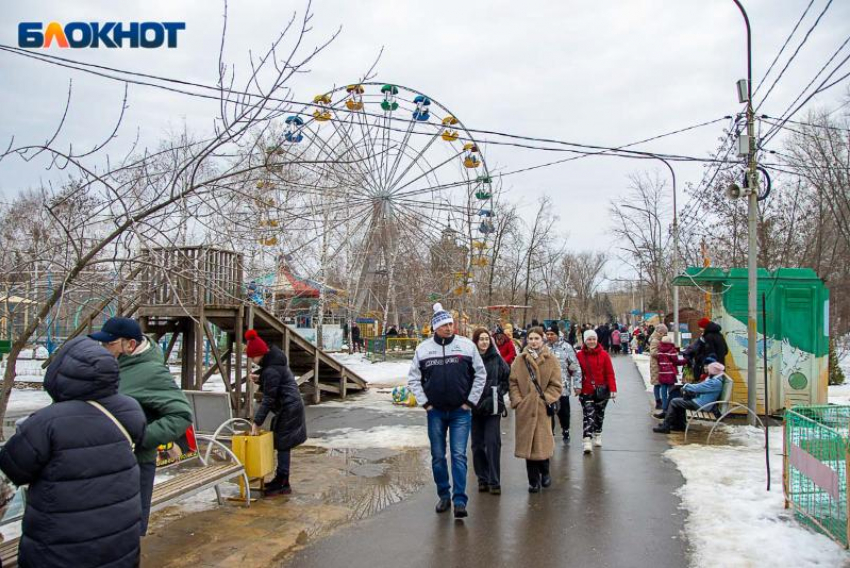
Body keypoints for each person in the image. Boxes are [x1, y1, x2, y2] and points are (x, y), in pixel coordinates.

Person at [0, 337, 147, 567]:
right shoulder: (130, 410)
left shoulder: (47, 422)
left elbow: (13, 468)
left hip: (60, 549)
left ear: (61, 373)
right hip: (118, 543)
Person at [90, 316, 193, 535]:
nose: (103, 349)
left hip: (134, 466)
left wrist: (140, 439)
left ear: (130, 344)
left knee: (124, 533)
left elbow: (181, 415)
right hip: (105, 463)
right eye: (102, 343)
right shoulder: (111, 367)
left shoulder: (151, 372)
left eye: (109, 344)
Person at [408, 303, 486, 519]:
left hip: (461, 411)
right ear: (435, 327)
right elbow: (413, 379)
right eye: (444, 325)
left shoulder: (466, 346)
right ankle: (444, 495)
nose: (449, 328)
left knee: (459, 455)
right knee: (438, 456)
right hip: (435, 412)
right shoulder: (423, 349)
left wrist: (470, 402)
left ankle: (460, 500)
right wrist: (425, 403)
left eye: (451, 324)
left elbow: (480, 374)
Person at [245, 329, 307, 496]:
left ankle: (283, 482)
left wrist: (256, 423)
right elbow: (276, 381)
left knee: (283, 444)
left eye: (253, 357)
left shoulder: (271, 369)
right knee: (282, 443)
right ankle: (281, 479)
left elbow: (268, 399)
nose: (253, 361)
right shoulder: (275, 362)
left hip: (289, 408)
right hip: (291, 406)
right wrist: (261, 378)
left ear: (259, 354)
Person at [509, 326, 562, 493]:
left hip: (541, 408)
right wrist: (519, 401)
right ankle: (533, 480)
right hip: (525, 409)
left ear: (542, 339)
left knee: (541, 443)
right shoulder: (520, 360)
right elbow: (513, 382)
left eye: (536, 338)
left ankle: (545, 472)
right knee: (528, 446)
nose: (533, 342)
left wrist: (545, 399)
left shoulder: (551, 359)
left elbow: (556, 385)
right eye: (530, 338)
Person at [470, 328, 510, 495]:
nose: (484, 342)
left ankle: (494, 481)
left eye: (486, 339)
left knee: (493, 444)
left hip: (493, 407)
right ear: (476, 341)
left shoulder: (497, 359)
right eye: (481, 339)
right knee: (477, 445)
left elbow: (507, 378)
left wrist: (498, 392)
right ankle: (482, 478)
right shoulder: (470, 360)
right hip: (474, 407)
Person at [575, 330, 617, 454]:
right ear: (585, 341)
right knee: (589, 415)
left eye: (593, 339)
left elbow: (610, 373)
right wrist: (576, 385)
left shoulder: (604, 355)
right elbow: (576, 372)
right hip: (586, 390)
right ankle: (587, 440)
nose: (591, 342)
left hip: (602, 391)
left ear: (597, 340)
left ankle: (598, 433)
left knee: (599, 415)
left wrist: (613, 388)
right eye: (589, 339)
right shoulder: (579, 355)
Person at [654, 362, 725, 433]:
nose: (707, 370)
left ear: (713, 371)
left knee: (674, 401)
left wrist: (685, 386)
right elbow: (700, 387)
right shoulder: (715, 380)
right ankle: (678, 425)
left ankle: (666, 426)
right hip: (702, 402)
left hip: (701, 405)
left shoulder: (714, 382)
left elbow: (698, 388)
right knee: (677, 398)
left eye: (709, 369)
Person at [544, 323, 582, 443]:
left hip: (562, 386)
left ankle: (565, 429)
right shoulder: (544, 347)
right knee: (549, 410)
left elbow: (575, 367)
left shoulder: (566, 347)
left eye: (552, 334)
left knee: (563, 411)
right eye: (547, 334)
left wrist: (577, 385)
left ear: (557, 334)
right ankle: (550, 433)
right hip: (547, 387)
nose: (549, 336)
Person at [653, 336, 686, 419]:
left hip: (662, 373)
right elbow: (676, 361)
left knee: (663, 392)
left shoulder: (660, 351)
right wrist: (685, 361)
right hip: (670, 374)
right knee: (671, 392)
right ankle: (670, 408)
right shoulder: (672, 350)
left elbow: (658, 361)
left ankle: (664, 408)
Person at [648, 324, 668, 410]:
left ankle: (661, 401)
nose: (665, 335)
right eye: (665, 333)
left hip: (659, 365)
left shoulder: (659, 339)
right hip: (656, 366)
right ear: (660, 332)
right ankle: (658, 401)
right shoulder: (655, 340)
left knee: (659, 383)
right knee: (657, 384)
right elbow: (653, 352)